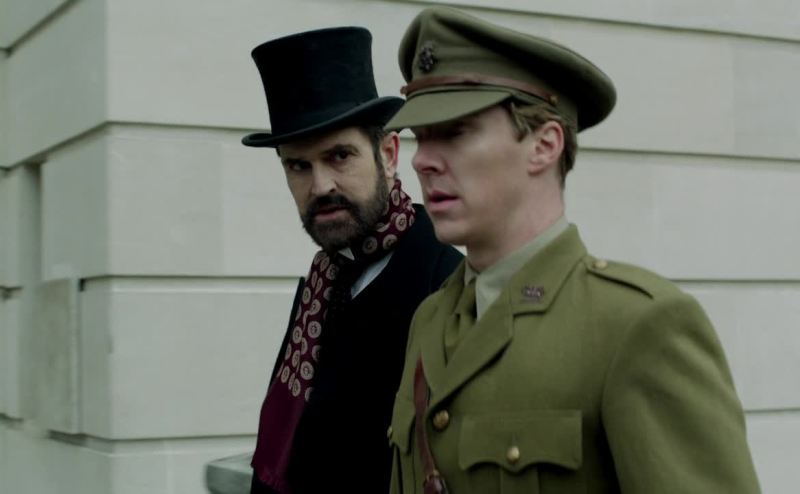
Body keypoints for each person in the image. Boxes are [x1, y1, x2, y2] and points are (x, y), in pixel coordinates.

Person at [385, 7, 760, 493]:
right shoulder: (431, 320)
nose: (422, 160)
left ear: (544, 145)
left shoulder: (636, 325)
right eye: (420, 137)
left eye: (455, 132)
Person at [241, 27, 462, 493]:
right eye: (298, 165)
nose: (320, 185)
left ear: (388, 155)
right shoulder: (323, 281)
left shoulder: (448, 284)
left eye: (339, 155)